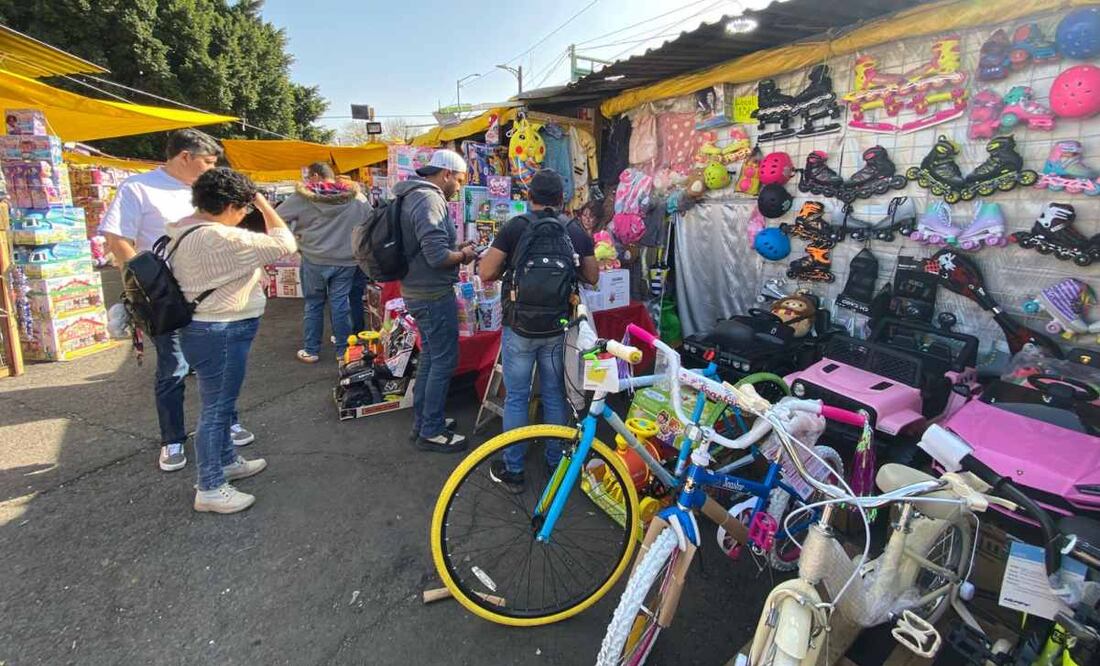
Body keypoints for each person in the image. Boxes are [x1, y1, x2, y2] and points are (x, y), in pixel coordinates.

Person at [99, 129, 255, 473]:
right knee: (174, 367)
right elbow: (118, 239)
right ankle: (172, 439)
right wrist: (144, 287)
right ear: (185, 156)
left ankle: (227, 423)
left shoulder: (205, 191)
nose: (212, 168)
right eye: (208, 161)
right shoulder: (137, 188)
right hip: (166, 298)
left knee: (219, 365)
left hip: (212, 295)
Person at [165, 168, 297, 513]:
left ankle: (226, 461)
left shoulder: (186, 227)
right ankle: (209, 486)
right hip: (218, 329)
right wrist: (263, 202)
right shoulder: (217, 237)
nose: (245, 216)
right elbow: (285, 243)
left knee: (220, 402)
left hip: (209, 329)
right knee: (217, 408)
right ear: (230, 205)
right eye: (244, 208)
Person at [478, 169, 598, 491]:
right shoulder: (573, 229)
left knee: (517, 397)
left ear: (528, 197)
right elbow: (593, 276)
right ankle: (555, 464)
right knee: (554, 395)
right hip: (558, 327)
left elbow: (486, 271)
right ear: (562, 199)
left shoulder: (515, 227)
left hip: (519, 327)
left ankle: (514, 470)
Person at [394, 149, 475, 453]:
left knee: (431, 356)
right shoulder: (428, 199)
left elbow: (430, 245)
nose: (459, 186)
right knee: (444, 360)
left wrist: (458, 247)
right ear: (446, 175)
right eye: (459, 179)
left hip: (420, 289)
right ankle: (431, 430)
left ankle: (426, 421)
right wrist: (464, 255)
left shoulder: (414, 196)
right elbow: (438, 257)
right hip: (430, 293)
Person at [276, 162, 372, 362]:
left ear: (315, 176)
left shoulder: (303, 198)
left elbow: (276, 216)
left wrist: (296, 234)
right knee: (340, 303)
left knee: (314, 304)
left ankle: (311, 350)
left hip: (314, 259)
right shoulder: (357, 197)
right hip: (347, 260)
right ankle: (343, 351)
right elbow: (370, 220)